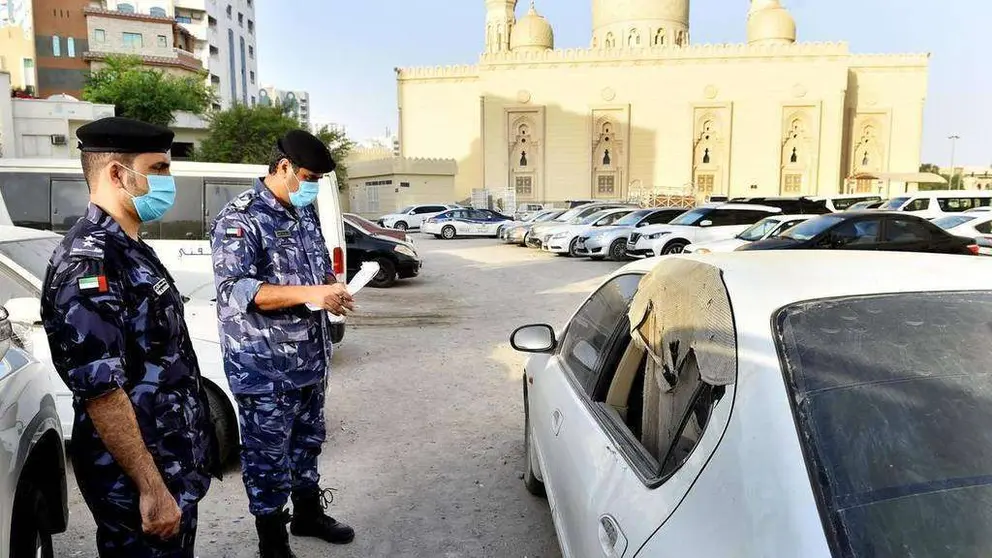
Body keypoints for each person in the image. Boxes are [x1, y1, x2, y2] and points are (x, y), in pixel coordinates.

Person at [41, 117, 218, 557]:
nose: (168, 181)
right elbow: (103, 392)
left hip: (170, 461)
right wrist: (152, 489)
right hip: (135, 481)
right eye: (158, 169)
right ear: (118, 174)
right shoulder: (90, 262)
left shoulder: (128, 247)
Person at [210, 129, 356, 558]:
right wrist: (311, 294)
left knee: (308, 441)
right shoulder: (241, 218)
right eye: (308, 177)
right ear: (283, 167)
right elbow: (237, 289)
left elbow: (312, 274)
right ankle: (271, 542)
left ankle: (308, 514)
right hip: (265, 367)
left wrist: (331, 289)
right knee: (267, 456)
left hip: (310, 358)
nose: (312, 187)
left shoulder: (302, 212)